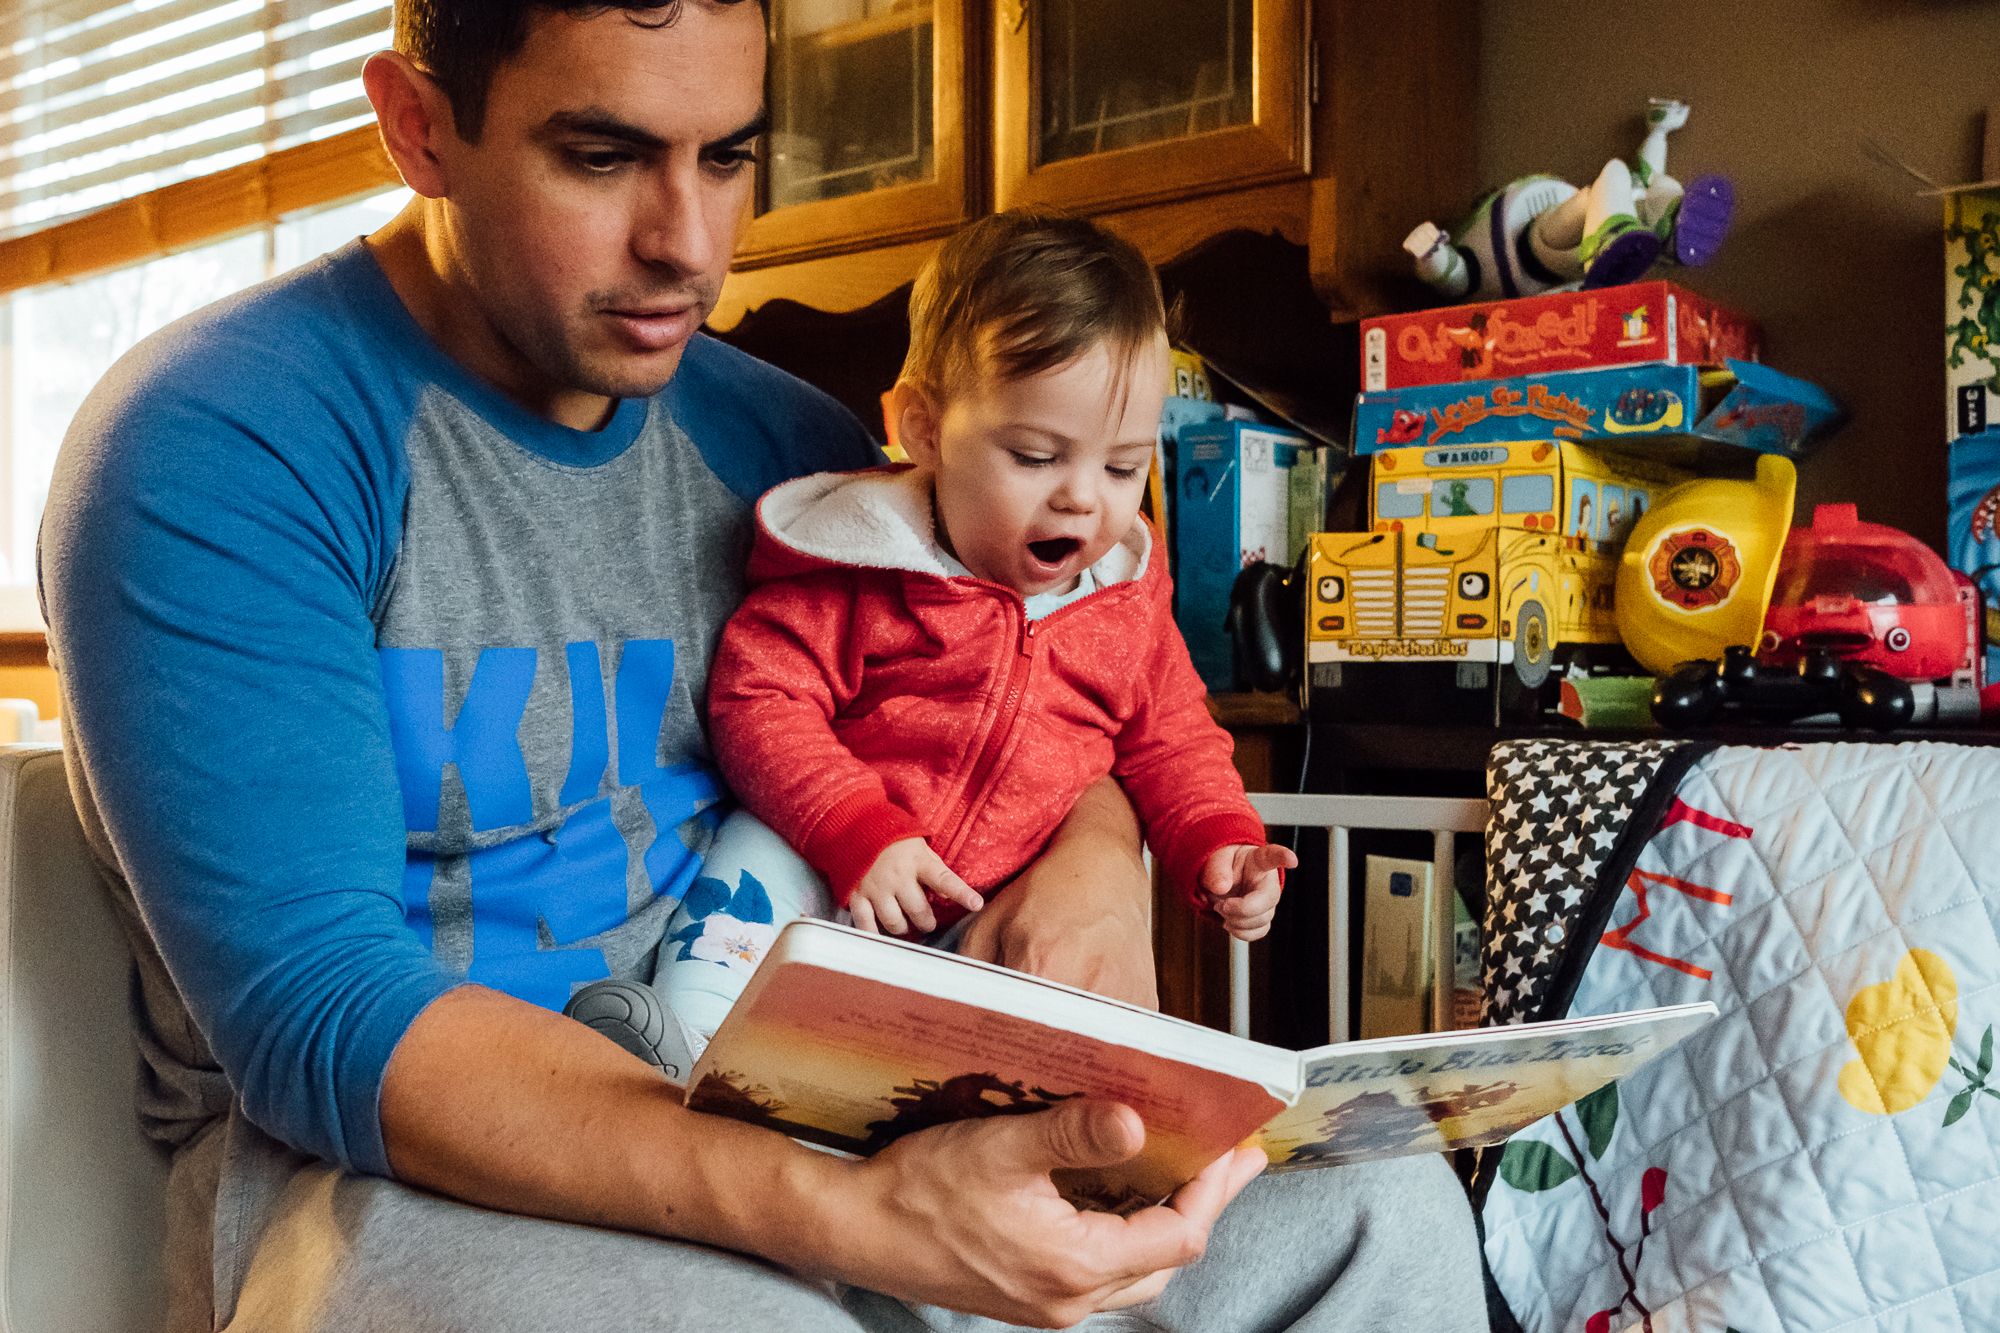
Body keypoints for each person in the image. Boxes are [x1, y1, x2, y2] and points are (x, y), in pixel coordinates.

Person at [38, 1, 1489, 1328]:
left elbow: (1040, 683)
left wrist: (1096, 857)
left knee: (1376, 1202)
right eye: (602, 155)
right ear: (419, 126)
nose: (689, 240)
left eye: (726, 156)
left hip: (838, 1087)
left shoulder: (796, 456)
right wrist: (864, 1218)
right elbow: (322, 1013)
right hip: (399, 1169)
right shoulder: (221, 443)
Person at [650, 210, 1296, 1043]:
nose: (1082, 497)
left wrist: (1219, 842)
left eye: (1123, 465)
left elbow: (1173, 740)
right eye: (1036, 456)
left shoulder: (1121, 597)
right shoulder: (865, 564)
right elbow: (758, 697)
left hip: (983, 903)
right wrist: (853, 828)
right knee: (741, 891)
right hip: (826, 851)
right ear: (923, 428)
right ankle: (677, 1045)